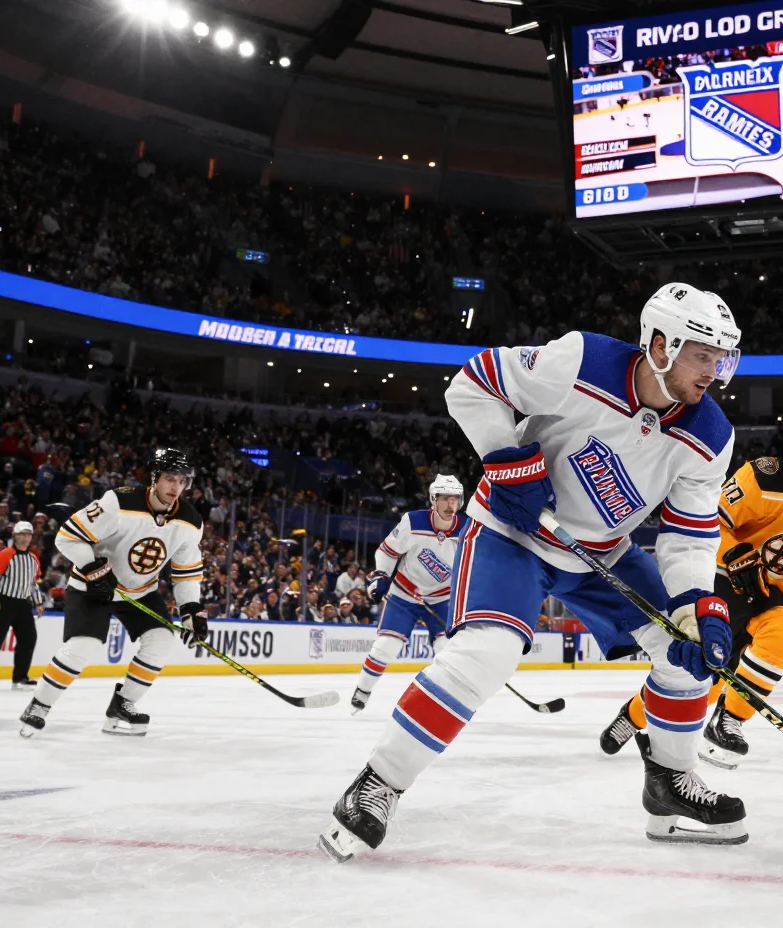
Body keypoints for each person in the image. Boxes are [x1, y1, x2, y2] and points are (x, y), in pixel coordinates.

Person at [318, 282, 746, 863]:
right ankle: (377, 784)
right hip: (511, 531)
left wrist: (697, 602)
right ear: (662, 345)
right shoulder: (583, 360)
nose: (716, 371)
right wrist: (505, 457)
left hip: (602, 552)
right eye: (704, 354)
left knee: (683, 648)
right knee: (487, 652)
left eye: (724, 357)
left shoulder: (712, 435)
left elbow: (688, 534)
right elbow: (471, 384)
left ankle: (669, 784)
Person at [599, 419, 783, 770]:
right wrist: (733, 554)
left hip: (768, 593)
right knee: (698, 679)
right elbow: (708, 520)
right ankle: (634, 715)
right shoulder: (762, 476)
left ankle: (728, 720)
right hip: (720, 582)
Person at [18, 449, 209, 738]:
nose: (176, 488)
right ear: (155, 478)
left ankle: (122, 706)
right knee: (83, 646)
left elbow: (187, 572)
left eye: (182, 482)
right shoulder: (118, 502)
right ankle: (38, 706)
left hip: (140, 591)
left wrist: (191, 609)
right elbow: (67, 537)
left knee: (161, 640)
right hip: (93, 585)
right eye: (170, 479)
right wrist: (94, 568)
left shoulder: (191, 521)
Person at [350, 474, 472, 713]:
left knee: (445, 651)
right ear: (433, 500)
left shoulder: (467, 530)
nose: (450, 505)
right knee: (386, 645)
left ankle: (442, 702)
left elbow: (473, 568)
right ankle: (362, 691)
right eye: (445, 499)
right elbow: (387, 552)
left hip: (442, 598)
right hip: (405, 593)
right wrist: (382, 575)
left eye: (455, 499)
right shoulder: (413, 522)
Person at [0, 520, 44, 690]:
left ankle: (20, 678)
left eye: (28, 534)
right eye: (22, 534)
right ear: (14, 536)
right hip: (4, 602)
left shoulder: (33, 558)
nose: (25, 537)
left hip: (23, 604)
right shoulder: (5, 554)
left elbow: (33, 584)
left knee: (28, 639)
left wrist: (38, 602)